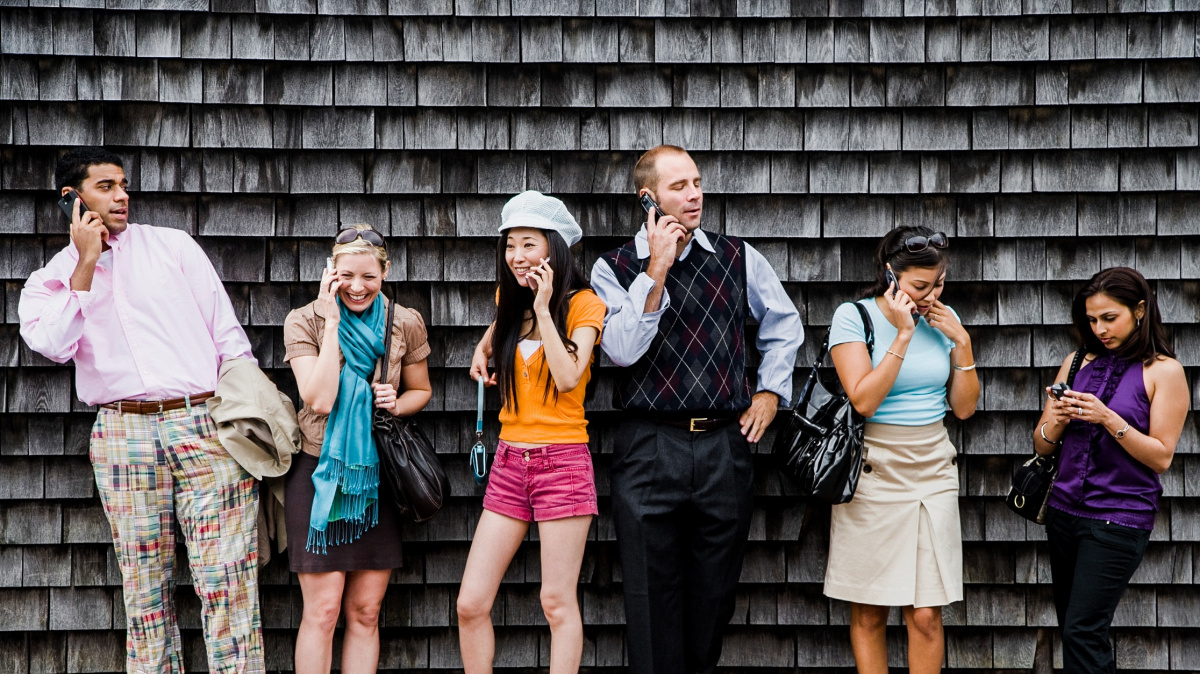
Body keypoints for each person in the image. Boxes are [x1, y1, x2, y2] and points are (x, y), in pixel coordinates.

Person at [18, 147, 264, 672]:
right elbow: (53, 343)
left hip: (204, 424)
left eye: (123, 184)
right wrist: (86, 262)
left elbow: (229, 337)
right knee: (144, 590)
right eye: (105, 186)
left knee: (229, 583)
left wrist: (240, 415)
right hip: (122, 432)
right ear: (71, 200)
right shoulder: (50, 281)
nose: (122, 195)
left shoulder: (172, 247)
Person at [590, 145, 803, 674]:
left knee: (714, 596)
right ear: (648, 198)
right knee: (647, 593)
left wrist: (771, 392)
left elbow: (783, 325)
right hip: (648, 443)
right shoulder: (612, 268)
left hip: (724, 444)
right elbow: (619, 350)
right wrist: (656, 268)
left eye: (697, 183)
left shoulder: (737, 257)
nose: (694, 195)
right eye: (679, 187)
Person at [459, 191, 605, 674]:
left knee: (557, 603)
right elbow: (498, 337)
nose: (517, 257)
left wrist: (544, 309)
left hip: (562, 463)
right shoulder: (509, 300)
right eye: (510, 246)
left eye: (528, 244)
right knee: (471, 603)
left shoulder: (585, 306)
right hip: (508, 462)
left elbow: (567, 377)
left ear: (554, 248)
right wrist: (483, 350)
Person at [824, 226, 979, 674]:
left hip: (933, 466)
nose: (931, 295)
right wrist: (904, 334)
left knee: (928, 614)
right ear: (891, 275)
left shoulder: (944, 321)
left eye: (940, 284)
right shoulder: (852, 317)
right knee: (871, 610)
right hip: (873, 469)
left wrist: (962, 343)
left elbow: (964, 408)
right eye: (920, 286)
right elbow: (864, 400)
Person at [283, 224, 432, 674]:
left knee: (366, 613)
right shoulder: (304, 320)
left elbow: (420, 391)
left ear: (384, 273)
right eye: (346, 275)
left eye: (368, 276)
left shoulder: (404, 321)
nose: (357, 287)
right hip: (319, 474)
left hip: (379, 477)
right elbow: (320, 398)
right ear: (331, 273)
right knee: (323, 612)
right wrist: (331, 323)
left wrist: (396, 402)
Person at [1033, 267, 1188, 674]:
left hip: (1117, 518)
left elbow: (1161, 457)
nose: (1099, 328)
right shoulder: (1075, 362)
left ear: (1139, 310)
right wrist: (1059, 418)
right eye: (1091, 319)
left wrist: (1106, 418)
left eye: (1109, 318)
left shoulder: (1164, 371)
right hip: (1064, 513)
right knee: (1072, 627)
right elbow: (1042, 443)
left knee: (1084, 630)